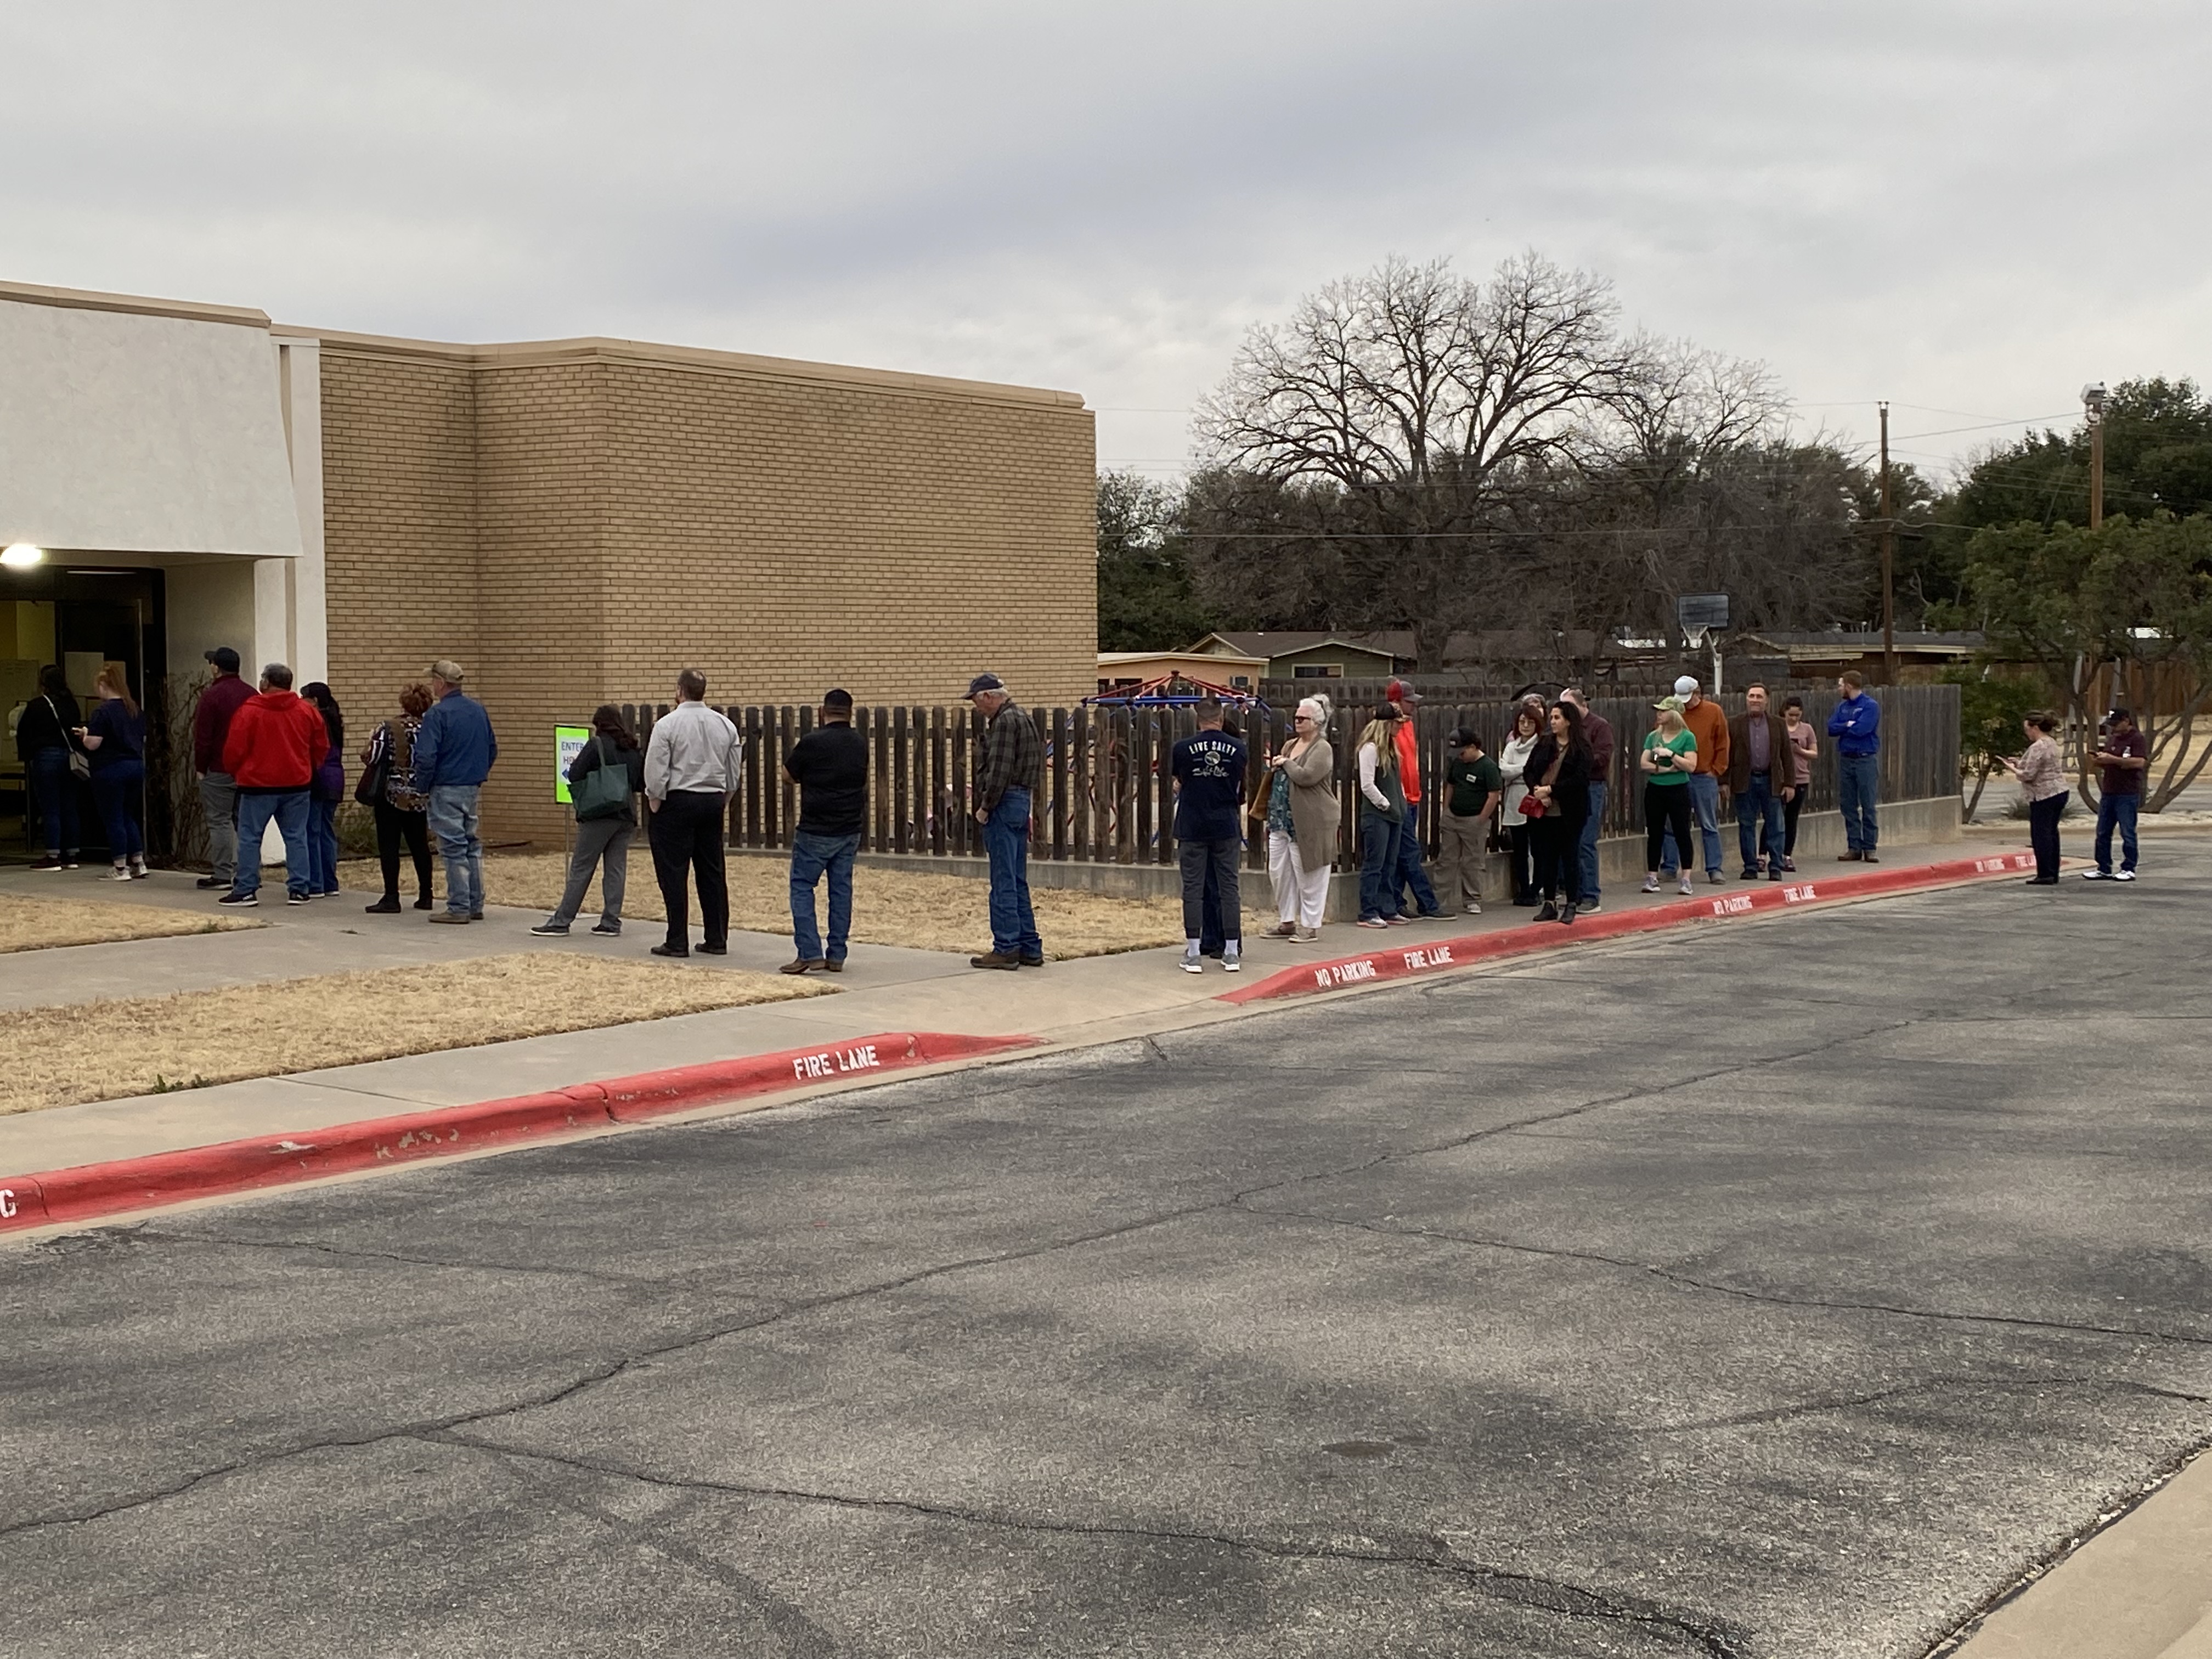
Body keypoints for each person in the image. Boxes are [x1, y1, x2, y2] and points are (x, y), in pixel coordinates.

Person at [644, 668, 741, 958]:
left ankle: (677, 939)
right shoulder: (725, 725)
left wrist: (655, 799)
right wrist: (725, 798)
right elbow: (733, 772)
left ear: (679, 690)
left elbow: (656, 769)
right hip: (712, 799)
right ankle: (716, 937)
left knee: (674, 871)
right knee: (712, 870)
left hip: (677, 800)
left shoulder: (667, 725)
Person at [217, 662, 328, 907]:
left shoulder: (249, 711)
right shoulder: (306, 711)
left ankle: (246, 888)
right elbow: (320, 746)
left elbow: (234, 749)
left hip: (257, 785)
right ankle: (300, 888)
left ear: (266, 682)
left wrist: (237, 772)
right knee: (296, 836)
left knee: (249, 837)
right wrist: (308, 768)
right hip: (297, 784)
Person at [532, 705, 646, 938]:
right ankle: (611, 921)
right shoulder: (632, 748)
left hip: (598, 814)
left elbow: (574, 774)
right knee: (616, 869)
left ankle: (562, 921)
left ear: (599, 725)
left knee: (582, 868)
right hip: (626, 814)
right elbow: (640, 783)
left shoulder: (597, 745)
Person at [780, 688, 867, 973]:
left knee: (803, 886)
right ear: (850, 713)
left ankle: (809, 952)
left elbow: (787, 775)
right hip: (849, 828)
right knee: (841, 890)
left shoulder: (812, 742)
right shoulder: (859, 743)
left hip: (815, 828)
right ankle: (837, 954)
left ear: (823, 711)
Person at [965, 673, 1045, 970]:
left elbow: (998, 771)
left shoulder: (1004, 723)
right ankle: (1029, 945)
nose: (976, 707)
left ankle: (1006, 946)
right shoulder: (1023, 718)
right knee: (1017, 878)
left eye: (976, 700)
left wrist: (985, 807)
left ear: (989, 696)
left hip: (1004, 801)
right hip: (1021, 800)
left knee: (1002, 880)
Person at [412, 658, 499, 924]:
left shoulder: (437, 715)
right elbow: (492, 748)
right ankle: (474, 903)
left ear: (440, 683)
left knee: (452, 847)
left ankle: (459, 906)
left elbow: (426, 756)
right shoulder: (477, 710)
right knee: (471, 844)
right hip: (470, 786)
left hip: (446, 786)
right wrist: (478, 774)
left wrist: (422, 786)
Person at [1171, 698, 1248, 973]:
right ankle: (1230, 952)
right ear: (1222, 715)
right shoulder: (1239, 748)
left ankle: (1193, 953)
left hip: (1192, 825)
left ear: (1197, 718)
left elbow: (1179, 780)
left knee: (1192, 888)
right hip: (1225, 824)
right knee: (1229, 888)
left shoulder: (1182, 748)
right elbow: (1239, 785)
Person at [1261, 695, 1336, 943]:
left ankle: (1310, 926)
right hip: (1281, 819)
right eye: (1296, 718)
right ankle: (1287, 922)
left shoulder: (1322, 748)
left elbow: (1307, 777)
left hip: (1309, 820)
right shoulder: (1290, 744)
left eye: (1303, 718)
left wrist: (1286, 763)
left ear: (1316, 722)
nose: (1298, 722)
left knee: (1309, 873)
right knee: (1279, 872)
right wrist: (1278, 763)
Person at [359, 684, 436, 913]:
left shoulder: (388, 727)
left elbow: (372, 756)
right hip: (420, 794)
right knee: (420, 844)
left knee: (389, 845)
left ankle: (391, 897)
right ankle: (426, 894)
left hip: (391, 793)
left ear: (403, 702)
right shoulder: (431, 727)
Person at [1522, 700, 1592, 923]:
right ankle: (1549, 903)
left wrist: (1552, 791)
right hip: (1544, 811)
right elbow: (1529, 769)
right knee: (1547, 858)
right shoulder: (1545, 744)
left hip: (1569, 811)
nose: (1552, 722)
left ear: (1569, 721)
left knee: (1570, 858)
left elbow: (1580, 780)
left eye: (1557, 718)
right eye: (1551, 718)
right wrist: (1537, 791)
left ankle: (1571, 902)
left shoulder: (1581, 748)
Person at [191, 646, 253, 889]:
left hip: (219, 767)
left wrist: (201, 767)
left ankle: (222, 874)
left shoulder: (212, 696)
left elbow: (204, 737)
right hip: (247, 769)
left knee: (219, 821)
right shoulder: (251, 694)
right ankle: (247, 872)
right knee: (245, 822)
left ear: (216, 667)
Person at [77, 666, 147, 880]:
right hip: (135, 766)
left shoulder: (103, 711)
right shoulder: (134, 708)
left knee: (113, 817)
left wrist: (85, 735)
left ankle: (119, 867)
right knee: (128, 815)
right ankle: (139, 862)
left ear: (103, 685)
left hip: (110, 769)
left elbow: (94, 744)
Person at [1659, 674, 1729, 884]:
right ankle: (1670, 866)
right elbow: (1658, 740)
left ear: (1697, 693)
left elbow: (1723, 743)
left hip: (1702, 776)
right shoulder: (1672, 713)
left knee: (1708, 823)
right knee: (1672, 823)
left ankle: (1714, 868)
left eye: (1688, 698)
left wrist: (1717, 770)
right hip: (1676, 775)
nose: (1685, 703)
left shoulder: (1713, 712)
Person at [1384, 679, 1444, 919]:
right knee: (1410, 852)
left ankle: (1398, 901)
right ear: (1396, 702)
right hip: (1402, 797)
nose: (1414, 706)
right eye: (1409, 702)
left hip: (1413, 796)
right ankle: (1427, 903)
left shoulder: (1408, 725)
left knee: (1403, 853)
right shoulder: (1391, 727)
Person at [16, 665, 82, 871]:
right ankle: (71, 854)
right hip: (68, 758)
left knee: (50, 808)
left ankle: (53, 855)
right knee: (69, 806)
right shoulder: (71, 704)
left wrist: (26, 757)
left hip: (45, 758)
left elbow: (24, 733)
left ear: (43, 683)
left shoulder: (37, 706)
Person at [1726, 683, 1793, 883]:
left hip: (1770, 781)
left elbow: (1787, 756)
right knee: (1746, 825)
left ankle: (1775, 867)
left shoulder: (1778, 724)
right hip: (1744, 781)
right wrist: (1724, 782)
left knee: (1776, 826)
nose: (1755, 700)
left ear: (1767, 701)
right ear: (1746, 699)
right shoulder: (1735, 723)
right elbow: (1727, 754)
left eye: (1759, 697)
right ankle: (1750, 867)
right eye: (1751, 696)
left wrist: (1789, 783)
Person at [1559, 687, 1612, 913]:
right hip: (1570, 787)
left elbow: (1603, 757)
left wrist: (1577, 761)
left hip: (1591, 786)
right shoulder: (1566, 728)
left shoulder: (1599, 726)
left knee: (1586, 842)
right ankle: (1575, 892)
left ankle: (1591, 894)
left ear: (1582, 705)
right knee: (1569, 842)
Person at [1435, 726, 1498, 916]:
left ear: (1473, 747)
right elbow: (1451, 785)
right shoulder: (1457, 764)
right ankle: (1437, 899)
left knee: (1472, 861)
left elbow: (1493, 795)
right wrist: (1446, 811)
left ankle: (1472, 899)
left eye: (1462, 752)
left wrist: (1481, 820)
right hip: (1453, 817)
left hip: (1474, 819)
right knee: (1446, 859)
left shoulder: (1488, 766)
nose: (1460, 756)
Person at [1639, 697, 1698, 897]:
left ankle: (1686, 878)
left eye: (1663, 711)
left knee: (1682, 832)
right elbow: (1644, 763)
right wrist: (1663, 771)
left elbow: (1690, 766)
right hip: (1656, 789)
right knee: (1655, 833)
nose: (1659, 714)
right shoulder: (1654, 737)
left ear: (1673, 714)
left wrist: (1671, 754)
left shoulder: (1687, 737)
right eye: (1658, 711)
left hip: (1679, 789)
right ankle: (1652, 876)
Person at [1354, 705, 1406, 928]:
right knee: (1374, 864)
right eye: (1396, 723)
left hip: (1394, 814)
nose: (1400, 727)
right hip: (1377, 815)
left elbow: (1397, 782)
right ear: (1386, 724)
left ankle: (1388, 908)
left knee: (1390, 863)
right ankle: (1368, 911)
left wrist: (1400, 803)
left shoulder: (1391, 749)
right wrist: (1385, 804)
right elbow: (1367, 784)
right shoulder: (1370, 749)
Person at [2000, 711, 2067, 885]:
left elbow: (2028, 774)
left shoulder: (2038, 746)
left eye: (2027, 729)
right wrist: (2019, 762)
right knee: (2052, 833)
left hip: (2044, 795)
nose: (2026, 733)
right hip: (2059, 791)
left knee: (2041, 834)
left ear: (2034, 727)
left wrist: (2013, 769)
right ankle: (2053, 871)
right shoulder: (2050, 743)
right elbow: (2037, 765)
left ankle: (2045, 873)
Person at [2085, 707, 2147, 882]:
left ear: (2126, 721)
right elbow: (2112, 761)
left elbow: (2140, 762)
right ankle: (2103, 867)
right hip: (2109, 791)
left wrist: (2114, 760)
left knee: (2127, 831)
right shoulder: (2113, 738)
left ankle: (2129, 867)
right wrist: (2101, 761)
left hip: (2127, 793)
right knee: (2103, 832)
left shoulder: (2137, 739)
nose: (2113, 728)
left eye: (2116, 724)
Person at [1827, 670, 1881, 862]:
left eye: (1841, 685)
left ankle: (1870, 847)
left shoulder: (1870, 706)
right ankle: (1854, 846)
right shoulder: (1842, 707)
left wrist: (1846, 727)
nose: (1839, 688)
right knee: (1848, 805)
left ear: (1849, 686)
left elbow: (1862, 730)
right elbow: (1831, 728)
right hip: (1846, 759)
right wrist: (1847, 725)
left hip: (1865, 758)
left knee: (1868, 804)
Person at [300, 682, 346, 897]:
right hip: (336, 778)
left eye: (304, 697)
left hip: (318, 778)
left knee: (312, 831)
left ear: (314, 700)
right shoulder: (336, 719)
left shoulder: (315, 720)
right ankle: (330, 882)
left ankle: (315, 883)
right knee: (327, 831)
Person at [1498, 699, 1544, 906]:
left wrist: (1517, 771)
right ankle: (1524, 888)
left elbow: (1539, 771)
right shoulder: (1511, 746)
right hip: (1514, 801)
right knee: (1519, 849)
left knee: (1537, 848)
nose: (1525, 726)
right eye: (1522, 722)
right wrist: (1524, 769)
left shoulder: (1542, 746)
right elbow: (1503, 771)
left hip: (1534, 800)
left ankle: (1537, 887)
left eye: (1530, 722)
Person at [1781, 695, 1818, 872]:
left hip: (1801, 777)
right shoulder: (1779, 727)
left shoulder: (1807, 729)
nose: (1794, 718)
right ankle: (1764, 853)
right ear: (1785, 712)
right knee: (1775, 816)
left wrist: (1799, 750)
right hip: (1781, 779)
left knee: (1791, 818)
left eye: (1797, 715)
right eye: (1791, 715)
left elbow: (1814, 753)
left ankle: (1787, 854)